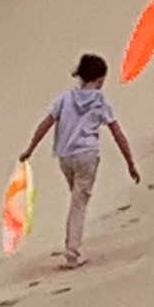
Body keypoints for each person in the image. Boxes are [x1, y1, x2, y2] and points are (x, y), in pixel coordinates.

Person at [22, 50, 140, 268]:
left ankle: (72, 244)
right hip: (87, 155)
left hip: (65, 157)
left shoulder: (64, 98)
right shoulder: (100, 101)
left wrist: (30, 148)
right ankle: (72, 252)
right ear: (99, 78)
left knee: (77, 199)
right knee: (79, 204)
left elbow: (46, 124)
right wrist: (130, 162)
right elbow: (117, 132)